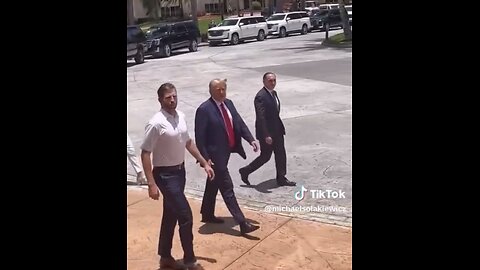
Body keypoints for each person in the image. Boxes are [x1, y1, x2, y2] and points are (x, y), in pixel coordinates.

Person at [140, 82, 214, 270]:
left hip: (180, 173)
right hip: (164, 175)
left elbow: (188, 142)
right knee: (186, 215)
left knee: (170, 215)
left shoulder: (180, 116)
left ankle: (165, 256)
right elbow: (146, 153)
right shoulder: (156, 123)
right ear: (160, 100)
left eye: (174, 96)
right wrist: (151, 183)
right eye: (168, 97)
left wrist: (204, 162)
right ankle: (190, 260)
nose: (172, 100)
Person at [194, 78, 260, 235]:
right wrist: (205, 159)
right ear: (211, 91)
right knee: (226, 186)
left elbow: (239, 123)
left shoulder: (229, 104)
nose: (221, 92)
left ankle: (207, 214)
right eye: (218, 90)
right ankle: (242, 223)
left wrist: (251, 139)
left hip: (227, 151)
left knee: (213, 182)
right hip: (214, 156)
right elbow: (199, 136)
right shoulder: (204, 109)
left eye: (223, 89)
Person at [239, 72, 296, 187]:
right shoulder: (260, 96)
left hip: (277, 130)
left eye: (274, 80)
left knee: (281, 154)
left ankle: (281, 178)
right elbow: (261, 117)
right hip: (267, 133)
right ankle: (245, 171)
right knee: (265, 156)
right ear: (264, 81)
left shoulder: (273, 93)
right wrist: (266, 135)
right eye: (270, 80)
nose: (273, 83)